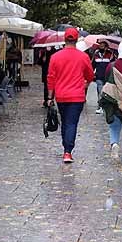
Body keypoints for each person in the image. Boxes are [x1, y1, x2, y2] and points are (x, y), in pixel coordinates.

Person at [46, 28, 95, 164]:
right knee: (72, 123)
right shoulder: (83, 57)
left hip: (61, 95)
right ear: (77, 39)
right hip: (77, 96)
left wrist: (50, 97)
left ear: (64, 39)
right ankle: (68, 151)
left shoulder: (55, 57)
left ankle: (65, 147)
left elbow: (51, 78)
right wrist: (86, 84)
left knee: (65, 121)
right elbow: (90, 75)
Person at [91, 40, 115, 114]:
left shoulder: (110, 55)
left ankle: (107, 105)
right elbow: (92, 65)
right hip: (99, 76)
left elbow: (113, 65)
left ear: (106, 47)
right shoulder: (96, 54)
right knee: (100, 91)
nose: (101, 47)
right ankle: (100, 106)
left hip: (107, 77)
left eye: (103, 46)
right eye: (100, 45)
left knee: (107, 92)